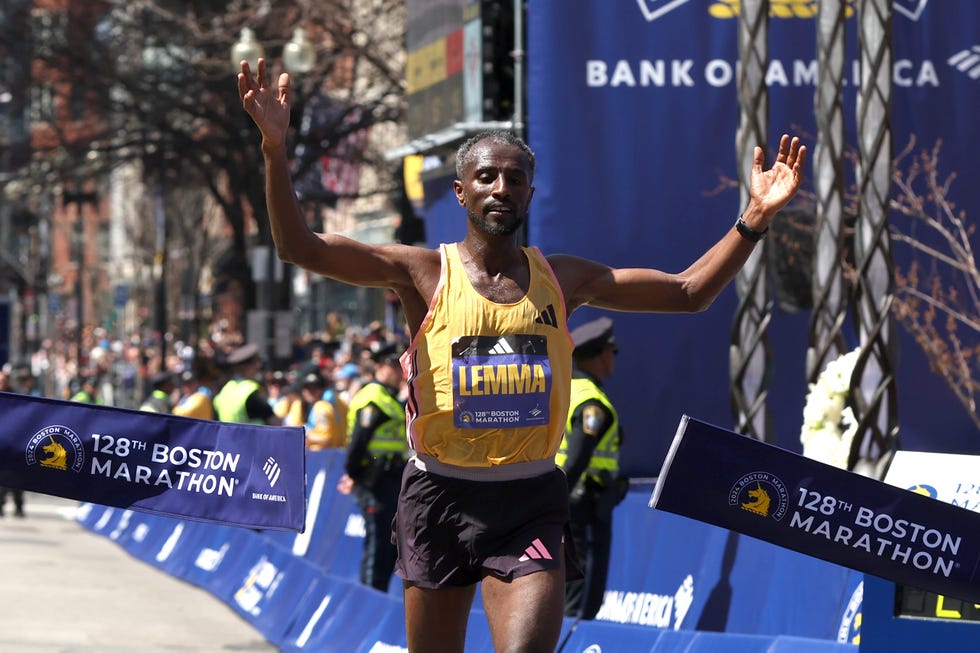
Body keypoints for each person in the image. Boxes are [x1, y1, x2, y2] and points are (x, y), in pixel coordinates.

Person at [239, 58, 805, 652]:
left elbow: (688, 293)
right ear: (460, 191)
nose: (500, 189)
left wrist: (754, 218)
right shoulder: (422, 273)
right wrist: (275, 151)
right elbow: (298, 246)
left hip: (530, 498)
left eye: (513, 179)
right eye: (486, 178)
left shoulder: (564, 279)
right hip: (439, 494)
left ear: (531, 193)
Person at [556, 317, 628, 620]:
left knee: (563, 593)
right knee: (583, 600)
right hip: (583, 508)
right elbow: (577, 459)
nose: (614, 358)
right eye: (612, 351)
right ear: (600, 355)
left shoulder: (563, 392)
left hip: (562, 504)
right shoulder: (591, 403)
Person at [337, 346, 408, 591]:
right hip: (374, 479)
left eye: (401, 366)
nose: (398, 372)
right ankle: (369, 595)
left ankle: (378, 591)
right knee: (378, 540)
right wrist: (356, 476)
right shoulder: (373, 398)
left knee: (389, 542)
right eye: (392, 366)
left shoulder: (389, 397)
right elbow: (358, 442)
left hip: (390, 477)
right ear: (379, 367)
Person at [212, 343, 281, 425]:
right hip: (253, 437)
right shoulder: (250, 391)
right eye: (255, 362)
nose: (258, 366)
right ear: (244, 367)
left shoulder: (225, 389)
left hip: (228, 437)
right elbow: (276, 424)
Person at [290, 369, 348, 450]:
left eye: (315, 387)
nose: (311, 392)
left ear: (321, 389)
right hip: (331, 452)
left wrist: (306, 435)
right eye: (307, 388)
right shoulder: (302, 405)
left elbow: (325, 439)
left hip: (325, 455)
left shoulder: (321, 406)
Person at [0, 370, 26, 518]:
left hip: (13, 442)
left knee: (16, 477)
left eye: (3, 380)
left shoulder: (15, 398)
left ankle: (19, 507)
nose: (1, 383)